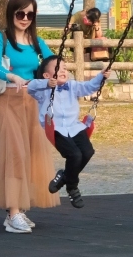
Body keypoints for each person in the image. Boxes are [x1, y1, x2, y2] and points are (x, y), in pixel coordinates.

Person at [0, 0, 59, 234]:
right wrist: (12, 76)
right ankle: (13, 211)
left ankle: (19, 209)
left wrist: (59, 73)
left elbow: (51, 62)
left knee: (29, 154)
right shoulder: (0, 38)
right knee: (13, 153)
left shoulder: (37, 42)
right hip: (8, 101)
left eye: (30, 14)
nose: (25, 18)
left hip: (32, 102)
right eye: (20, 13)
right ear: (11, 13)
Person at [28, 55, 110, 208]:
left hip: (74, 126)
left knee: (87, 152)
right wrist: (47, 83)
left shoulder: (72, 86)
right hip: (55, 128)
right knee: (74, 155)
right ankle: (72, 187)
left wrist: (101, 76)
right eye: (58, 68)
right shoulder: (43, 91)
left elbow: (89, 87)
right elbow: (31, 87)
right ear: (47, 75)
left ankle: (64, 176)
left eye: (65, 68)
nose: (63, 71)